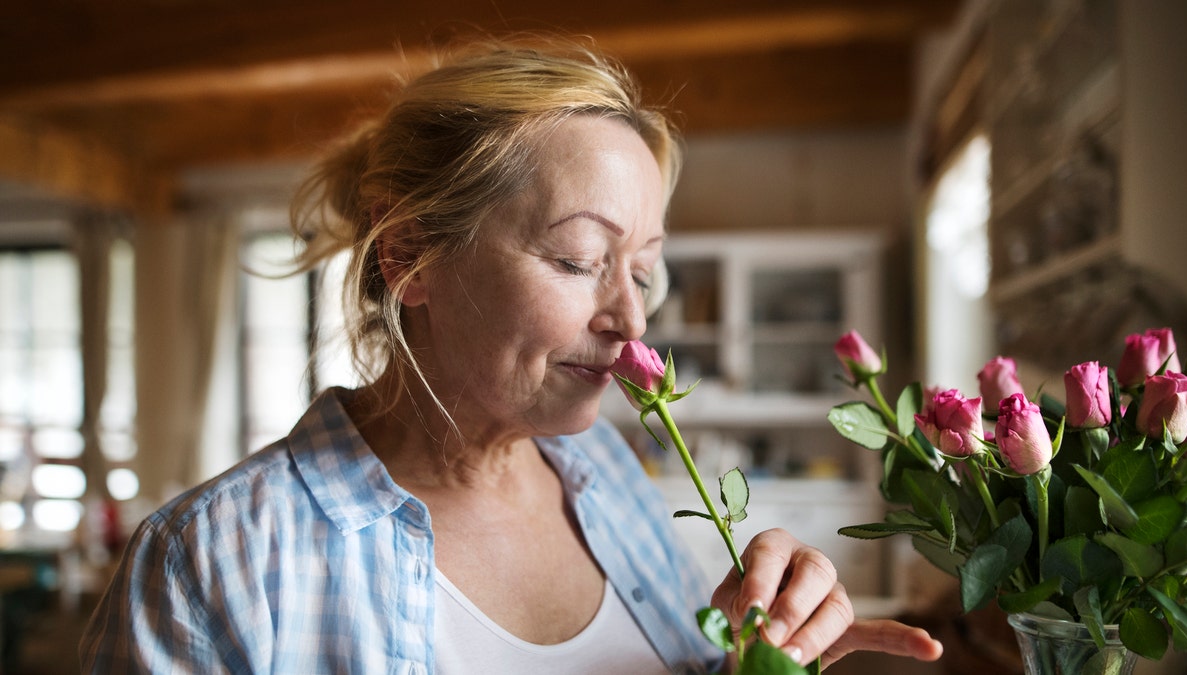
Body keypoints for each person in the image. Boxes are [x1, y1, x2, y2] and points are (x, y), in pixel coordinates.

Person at [79, 35, 943, 673]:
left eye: (644, 270)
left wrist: (762, 654)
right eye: (577, 260)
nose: (632, 321)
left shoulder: (607, 473)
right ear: (409, 257)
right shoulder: (211, 563)